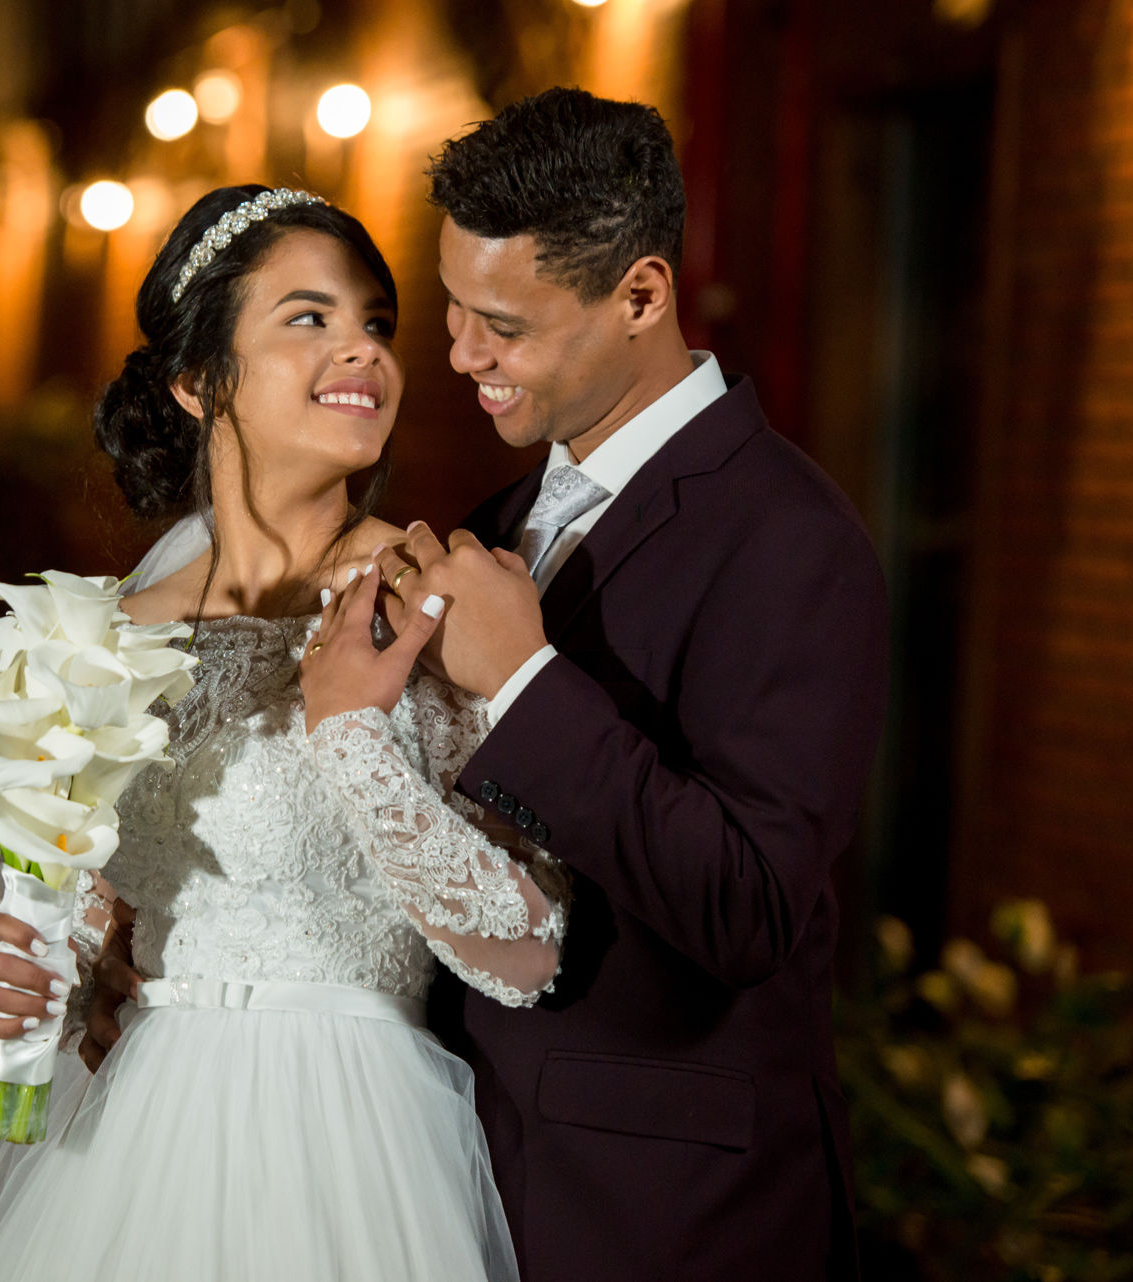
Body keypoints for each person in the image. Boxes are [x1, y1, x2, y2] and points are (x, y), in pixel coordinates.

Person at [0, 184, 567, 1282]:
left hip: (355, 1146)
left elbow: (529, 949)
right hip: (131, 1153)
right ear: (196, 378)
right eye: (307, 318)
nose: (361, 350)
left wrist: (353, 738)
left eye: (374, 322)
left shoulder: (433, 595)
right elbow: (88, 930)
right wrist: (16, 971)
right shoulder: (109, 639)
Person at [360, 88, 887, 1279]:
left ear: (641, 295)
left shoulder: (794, 540)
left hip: (670, 1215)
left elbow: (749, 904)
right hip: (455, 1177)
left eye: (504, 323)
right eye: (451, 307)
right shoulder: (497, 522)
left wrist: (527, 682)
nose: (458, 355)